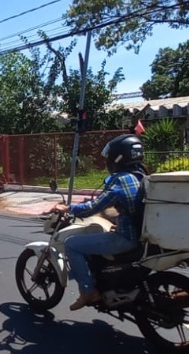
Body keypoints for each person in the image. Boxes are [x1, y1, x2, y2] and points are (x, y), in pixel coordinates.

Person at [53, 133, 146, 311]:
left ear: (118, 157)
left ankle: (88, 291)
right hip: (139, 233)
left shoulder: (120, 180)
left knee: (72, 244)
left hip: (126, 239)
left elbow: (94, 207)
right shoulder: (141, 175)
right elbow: (132, 207)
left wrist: (69, 208)